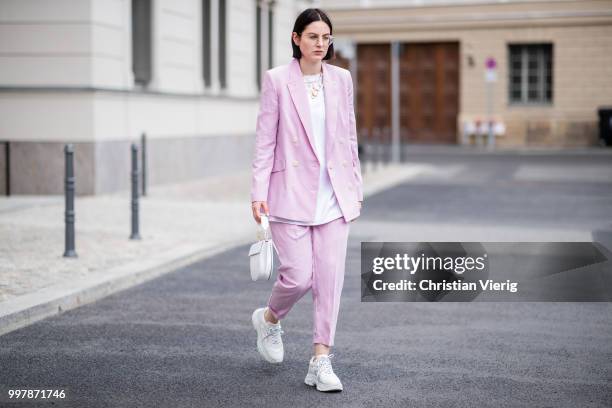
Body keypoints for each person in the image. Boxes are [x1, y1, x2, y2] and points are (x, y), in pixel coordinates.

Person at [250, 8, 363, 393]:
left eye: (326, 37)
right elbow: (265, 140)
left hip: (334, 196)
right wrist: (258, 192)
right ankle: (269, 319)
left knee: (329, 281)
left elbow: (349, 137)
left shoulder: (342, 79)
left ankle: (321, 360)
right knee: (298, 276)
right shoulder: (277, 80)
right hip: (290, 195)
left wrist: (356, 188)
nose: (320, 43)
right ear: (296, 38)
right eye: (313, 36)